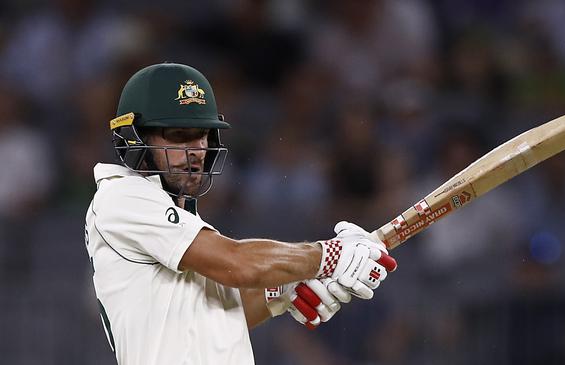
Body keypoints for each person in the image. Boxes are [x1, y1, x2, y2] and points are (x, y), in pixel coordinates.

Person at [83, 62, 397, 365]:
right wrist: (329, 256)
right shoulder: (121, 197)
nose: (197, 149)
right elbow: (238, 263)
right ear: (135, 138)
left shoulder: (183, 222)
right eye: (178, 134)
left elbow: (224, 319)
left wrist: (284, 290)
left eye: (202, 134)